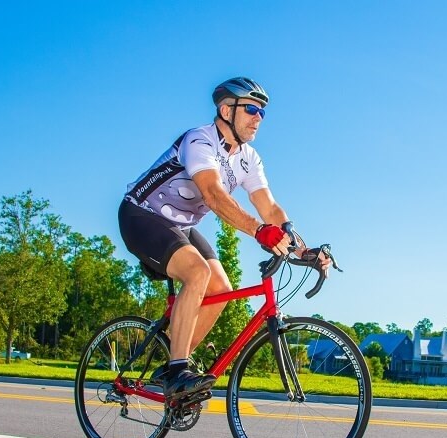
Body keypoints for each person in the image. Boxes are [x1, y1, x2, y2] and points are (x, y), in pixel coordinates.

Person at [118, 76, 328, 403]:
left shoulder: (249, 158)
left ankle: (173, 369)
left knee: (222, 290)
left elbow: (269, 207)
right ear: (226, 109)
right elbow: (213, 194)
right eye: (252, 109)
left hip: (181, 225)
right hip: (142, 216)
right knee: (198, 273)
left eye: (263, 113)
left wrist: (303, 248)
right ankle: (178, 370)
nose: (259, 118)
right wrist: (259, 231)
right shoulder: (199, 141)